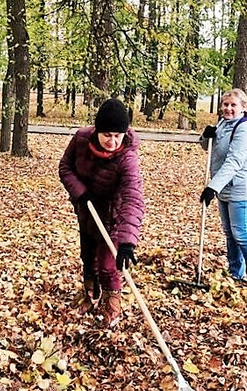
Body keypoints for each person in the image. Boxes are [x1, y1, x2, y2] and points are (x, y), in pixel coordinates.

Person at [58, 98, 145, 327]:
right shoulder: (81, 139)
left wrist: (127, 242)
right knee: (88, 257)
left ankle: (112, 304)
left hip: (112, 215)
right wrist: (80, 193)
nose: (113, 141)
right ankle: (91, 295)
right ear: (97, 131)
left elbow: (133, 197)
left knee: (109, 264)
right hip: (86, 209)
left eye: (118, 135)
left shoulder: (127, 158)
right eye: (107, 135)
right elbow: (65, 167)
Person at [199, 88, 247, 286]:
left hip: (242, 188)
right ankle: (236, 273)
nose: (228, 108)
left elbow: (234, 161)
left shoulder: (246, 129)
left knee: (242, 233)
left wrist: (213, 188)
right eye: (226, 104)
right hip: (225, 187)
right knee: (230, 234)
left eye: (233, 105)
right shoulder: (223, 123)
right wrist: (206, 136)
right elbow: (209, 148)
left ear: (244, 107)